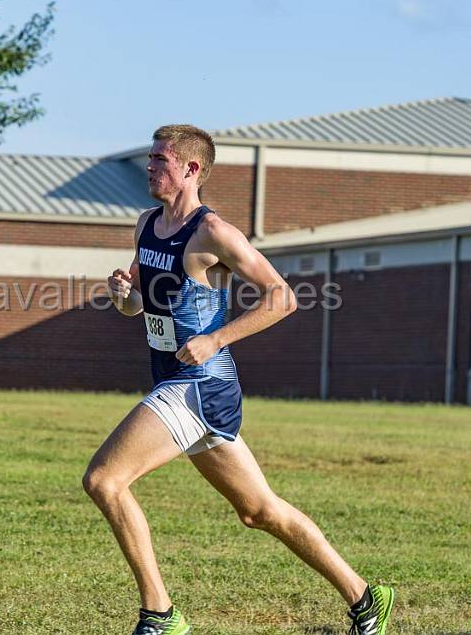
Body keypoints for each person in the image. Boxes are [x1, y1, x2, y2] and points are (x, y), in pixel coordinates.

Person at [83, 124, 395, 635]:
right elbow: (138, 306)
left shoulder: (214, 233)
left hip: (200, 384)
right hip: (173, 379)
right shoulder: (146, 224)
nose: (151, 167)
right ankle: (365, 597)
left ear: (192, 170)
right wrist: (122, 294)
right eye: (151, 158)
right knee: (260, 511)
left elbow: (282, 296)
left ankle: (160, 614)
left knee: (105, 480)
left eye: (161, 159)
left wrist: (217, 339)